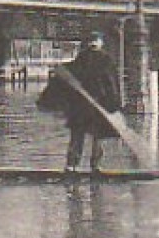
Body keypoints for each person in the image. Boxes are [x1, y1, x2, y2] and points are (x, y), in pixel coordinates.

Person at [38, 32, 123, 172]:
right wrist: (114, 105)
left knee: (77, 135)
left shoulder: (80, 59)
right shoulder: (106, 60)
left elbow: (66, 79)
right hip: (98, 105)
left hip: (80, 106)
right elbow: (112, 85)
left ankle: (72, 165)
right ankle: (95, 166)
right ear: (100, 43)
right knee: (97, 136)